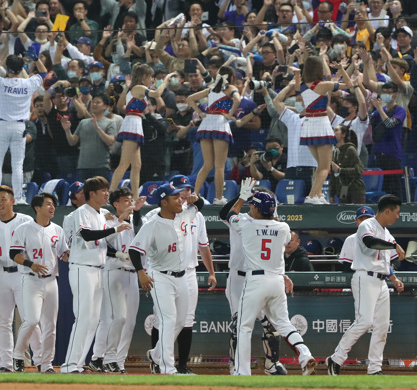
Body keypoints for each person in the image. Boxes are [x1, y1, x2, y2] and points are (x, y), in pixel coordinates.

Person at [226, 178, 317, 376]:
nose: (250, 209)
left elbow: (230, 214)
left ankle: (242, 372)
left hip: (256, 281)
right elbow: (272, 225)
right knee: (283, 323)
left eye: (253, 207)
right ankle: (304, 354)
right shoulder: (284, 228)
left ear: (258, 210)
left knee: (244, 326)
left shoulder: (246, 224)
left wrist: (242, 197)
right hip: (276, 281)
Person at [327, 195, 406, 376]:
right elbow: (371, 243)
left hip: (381, 281)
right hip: (365, 278)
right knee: (364, 322)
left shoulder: (386, 232)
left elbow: (385, 262)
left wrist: (393, 279)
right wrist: (394, 245)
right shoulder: (367, 225)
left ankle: (374, 368)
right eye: (396, 212)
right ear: (387, 211)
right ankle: (336, 358)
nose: (398, 216)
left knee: (382, 326)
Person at [128, 183, 203, 375]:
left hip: (182, 277)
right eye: (175, 197)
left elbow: (199, 205)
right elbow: (134, 250)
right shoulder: (152, 225)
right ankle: (168, 368)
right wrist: (141, 273)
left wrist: (197, 200)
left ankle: (156, 353)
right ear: (164, 202)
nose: (181, 199)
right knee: (169, 320)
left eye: (181, 196)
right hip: (160, 277)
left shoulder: (185, 214)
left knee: (180, 322)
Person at [60, 176, 132, 374]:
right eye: (103, 190)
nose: (107, 193)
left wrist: (116, 229)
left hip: (98, 268)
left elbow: (102, 243)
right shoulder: (82, 212)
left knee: (92, 320)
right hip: (82, 268)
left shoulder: (102, 215)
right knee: (83, 317)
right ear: (92, 194)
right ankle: (69, 365)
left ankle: (77, 363)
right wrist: (115, 227)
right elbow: (87, 235)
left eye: (107, 189)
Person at [218, 187, 292, 376]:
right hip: (239, 276)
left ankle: (271, 364)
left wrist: (281, 274)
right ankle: (236, 366)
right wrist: (240, 196)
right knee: (238, 323)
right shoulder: (241, 218)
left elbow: (276, 254)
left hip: (264, 277)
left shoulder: (271, 221)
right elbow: (223, 214)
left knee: (271, 323)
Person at [0, 185, 42, 373]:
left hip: (22, 274)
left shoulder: (26, 221)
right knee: (4, 321)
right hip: (1, 274)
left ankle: (40, 360)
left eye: (3, 199)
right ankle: (6, 363)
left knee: (30, 319)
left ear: (13, 201)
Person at [8, 193, 68, 374]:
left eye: (53, 205)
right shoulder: (24, 228)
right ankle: (18, 355)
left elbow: (63, 253)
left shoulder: (57, 230)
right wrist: (30, 264)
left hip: (51, 281)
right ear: (37, 207)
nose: (52, 208)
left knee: (50, 325)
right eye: (48, 204)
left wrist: (70, 255)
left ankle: (46, 363)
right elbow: (14, 254)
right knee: (32, 320)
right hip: (31, 280)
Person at [90, 187, 144, 373]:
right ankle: (105, 357)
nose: (130, 202)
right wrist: (120, 221)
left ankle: (118, 361)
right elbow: (104, 243)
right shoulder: (108, 220)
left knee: (129, 322)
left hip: (132, 274)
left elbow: (140, 236)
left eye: (131, 200)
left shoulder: (135, 220)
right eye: (126, 200)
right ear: (116, 204)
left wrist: (136, 213)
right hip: (113, 271)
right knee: (117, 318)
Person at [0, 51, 46, 204]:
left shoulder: (1, 82)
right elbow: (43, 73)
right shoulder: (28, 83)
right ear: (22, 67)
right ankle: (18, 198)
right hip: (20, 127)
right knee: (18, 165)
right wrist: (36, 59)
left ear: (7, 68)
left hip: (2, 126)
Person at [110, 64, 174, 199]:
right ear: (144, 76)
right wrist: (165, 81)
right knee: (124, 164)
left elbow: (120, 106)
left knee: (137, 165)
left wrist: (126, 88)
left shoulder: (132, 89)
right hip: (132, 125)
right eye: (151, 76)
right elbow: (156, 94)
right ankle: (109, 195)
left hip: (135, 123)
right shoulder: (139, 87)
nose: (152, 79)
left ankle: (135, 197)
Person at [300, 57, 351, 204]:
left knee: (320, 165)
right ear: (318, 69)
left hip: (308, 125)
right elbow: (349, 84)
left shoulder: (302, 85)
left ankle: (318, 195)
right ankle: (311, 196)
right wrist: (341, 70)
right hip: (321, 123)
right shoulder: (322, 85)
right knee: (325, 167)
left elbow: (331, 84)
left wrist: (337, 75)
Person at [187, 67, 242, 205]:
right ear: (231, 78)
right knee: (219, 166)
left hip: (206, 124)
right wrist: (230, 114)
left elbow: (190, 99)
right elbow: (238, 100)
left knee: (206, 165)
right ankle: (218, 198)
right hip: (219, 124)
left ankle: (195, 194)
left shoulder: (211, 88)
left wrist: (201, 113)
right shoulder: (230, 88)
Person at [329, 126, 365, 204]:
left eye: (336, 130)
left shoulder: (351, 150)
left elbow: (359, 170)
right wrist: (331, 195)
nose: (333, 132)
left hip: (355, 189)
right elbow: (333, 176)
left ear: (343, 134)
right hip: (342, 191)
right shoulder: (334, 153)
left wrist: (340, 170)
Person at [338, 206, 376, 272]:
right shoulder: (351, 239)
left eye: (368, 219)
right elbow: (347, 264)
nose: (365, 223)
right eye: (361, 219)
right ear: (357, 222)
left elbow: (395, 259)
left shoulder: (383, 236)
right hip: (360, 276)